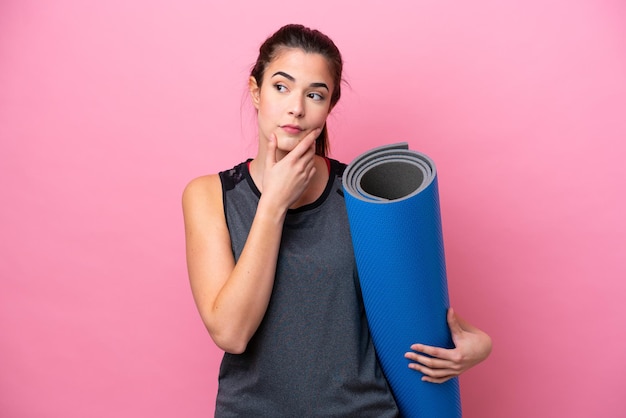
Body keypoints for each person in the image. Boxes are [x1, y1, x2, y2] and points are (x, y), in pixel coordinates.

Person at [182, 23, 492, 417]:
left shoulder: (361, 194)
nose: (296, 107)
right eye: (281, 87)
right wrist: (274, 203)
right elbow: (231, 333)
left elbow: (410, 304)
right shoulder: (210, 195)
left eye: (315, 94)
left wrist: (479, 344)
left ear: (329, 108)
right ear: (256, 91)